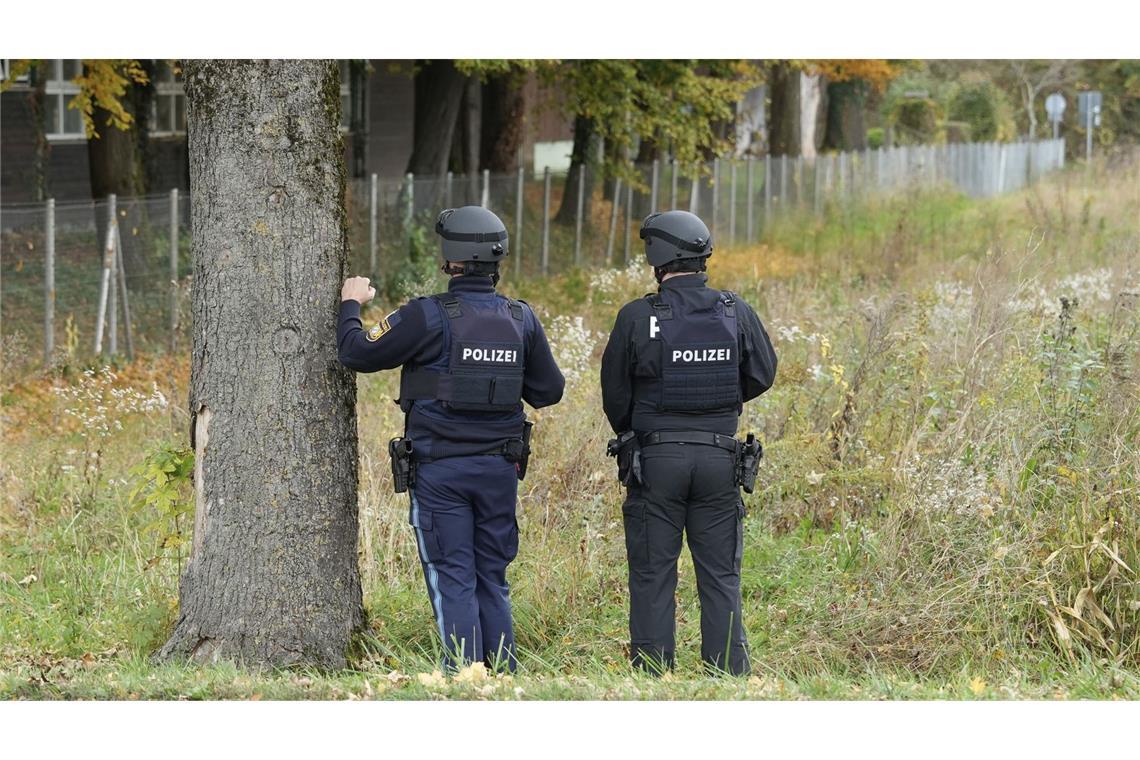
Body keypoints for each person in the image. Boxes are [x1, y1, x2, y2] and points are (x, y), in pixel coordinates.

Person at [338, 206, 565, 673]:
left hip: (441, 473)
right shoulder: (521, 318)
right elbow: (549, 391)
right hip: (500, 472)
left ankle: (464, 679)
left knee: (453, 578)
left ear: (450, 259)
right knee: (492, 579)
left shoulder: (426, 316)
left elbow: (356, 352)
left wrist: (351, 304)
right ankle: (502, 678)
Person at [600, 209, 777, 676]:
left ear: (658, 257)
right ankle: (726, 675)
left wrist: (647, 424)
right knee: (721, 576)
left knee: (653, 574)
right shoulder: (734, 310)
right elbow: (763, 373)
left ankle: (654, 674)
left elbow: (614, 396)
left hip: (655, 461)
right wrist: (719, 407)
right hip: (720, 457)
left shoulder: (638, 316)